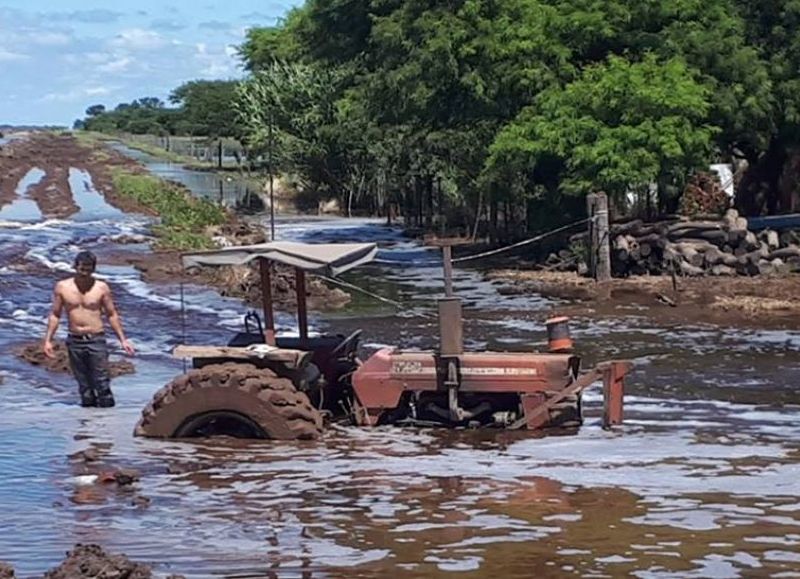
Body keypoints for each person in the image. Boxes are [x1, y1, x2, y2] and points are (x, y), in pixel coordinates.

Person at [42, 250, 135, 407]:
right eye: (82, 267)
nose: (85, 271)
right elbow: (55, 315)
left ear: (94, 268)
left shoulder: (101, 288)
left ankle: (108, 423)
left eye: (89, 268)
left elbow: (111, 314)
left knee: (102, 383)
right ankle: (88, 426)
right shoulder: (62, 287)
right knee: (84, 386)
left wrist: (123, 340)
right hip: (74, 340)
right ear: (75, 267)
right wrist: (48, 341)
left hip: (96, 339)